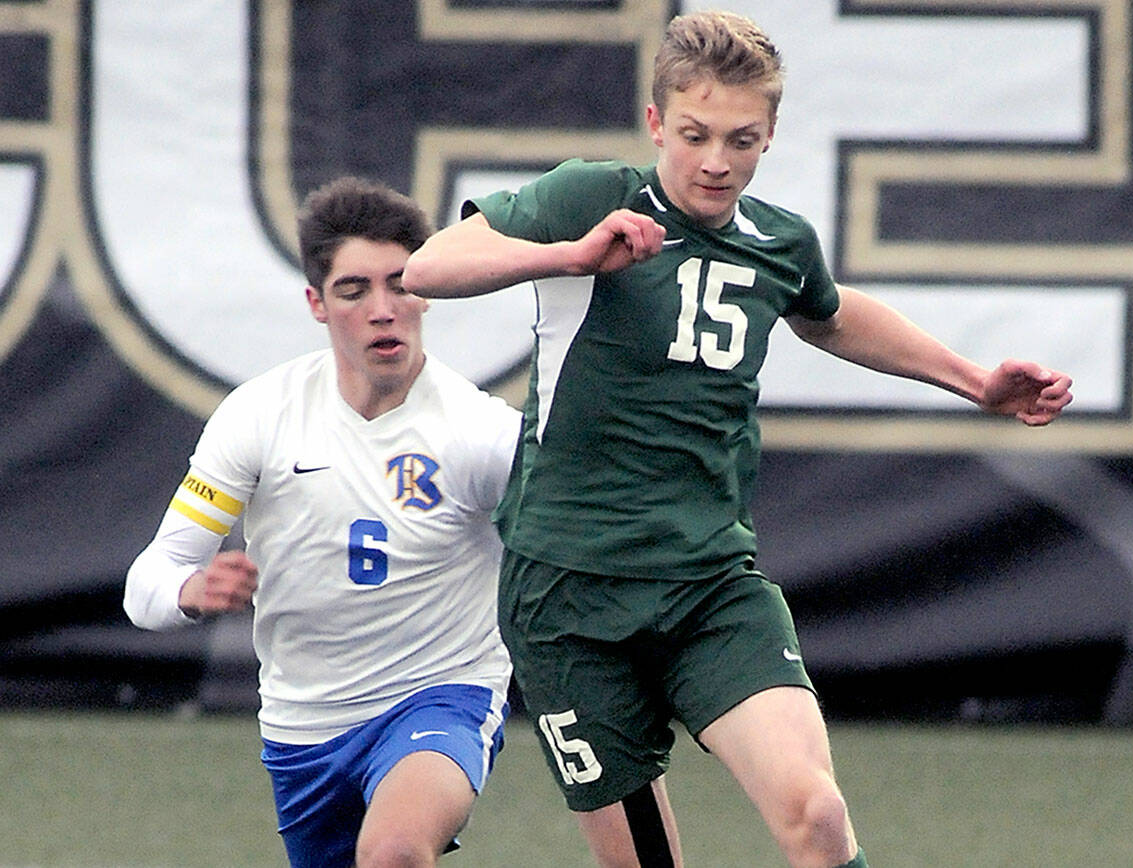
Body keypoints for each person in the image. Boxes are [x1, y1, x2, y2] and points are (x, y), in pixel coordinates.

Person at [402, 10, 1074, 868]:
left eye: (742, 139)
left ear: (770, 136)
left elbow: (829, 313)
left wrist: (975, 381)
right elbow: (428, 266)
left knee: (816, 813)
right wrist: (569, 256)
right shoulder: (592, 198)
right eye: (695, 135)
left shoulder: (777, 242)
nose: (716, 160)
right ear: (656, 124)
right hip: (567, 597)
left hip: (707, 586)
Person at [124, 177, 522, 868]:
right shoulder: (260, 416)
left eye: (400, 284)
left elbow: (580, 542)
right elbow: (147, 583)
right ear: (316, 303)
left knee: (394, 851)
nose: (382, 310)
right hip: (304, 727)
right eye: (353, 290)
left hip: (441, 695)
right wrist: (192, 590)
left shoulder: (481, 434)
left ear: (428, 291)